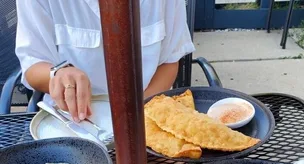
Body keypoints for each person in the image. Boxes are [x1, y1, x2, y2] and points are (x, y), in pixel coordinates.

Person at [15, 0, 195, 123]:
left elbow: (170, 61)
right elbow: (33, 64)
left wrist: (137, 113)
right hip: (71, 123)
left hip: (147, 114)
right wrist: (58, 73)